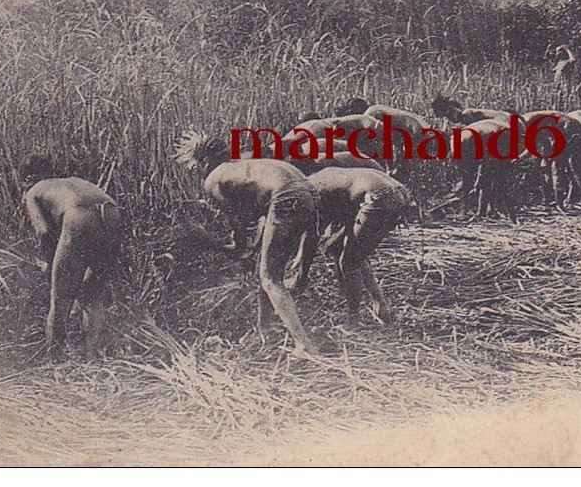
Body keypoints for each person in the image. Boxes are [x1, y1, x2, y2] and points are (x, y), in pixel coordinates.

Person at [173, 129, 323, 355]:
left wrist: (230, 246)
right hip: (310, 193)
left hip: (286, 198)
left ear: (204, 161)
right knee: (265, 267)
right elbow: (253, 214)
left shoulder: (214, 179)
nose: (195, 172)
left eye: (195, 166)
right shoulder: (244, 164)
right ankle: (265, 328)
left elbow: (241, 221)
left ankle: (303, 344)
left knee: (270, 278)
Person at [18, 154, 122, 359]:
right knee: (93, 296)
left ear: (26, 179)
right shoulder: (70, 182)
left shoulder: (33, 192)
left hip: (79, 216)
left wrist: (48, 263)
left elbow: (44, 231)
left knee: (60, 300)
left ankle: (54, 361)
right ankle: (91, 357)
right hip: (111, 211)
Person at [307, 167, 416, 325]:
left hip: (379, 197)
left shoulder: (313, 190)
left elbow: (317, 233)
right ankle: (380, 305)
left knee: (349, 260)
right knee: (354, 254)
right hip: (398, 193)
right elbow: (343, 223)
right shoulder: (324, 178)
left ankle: (353, 318)